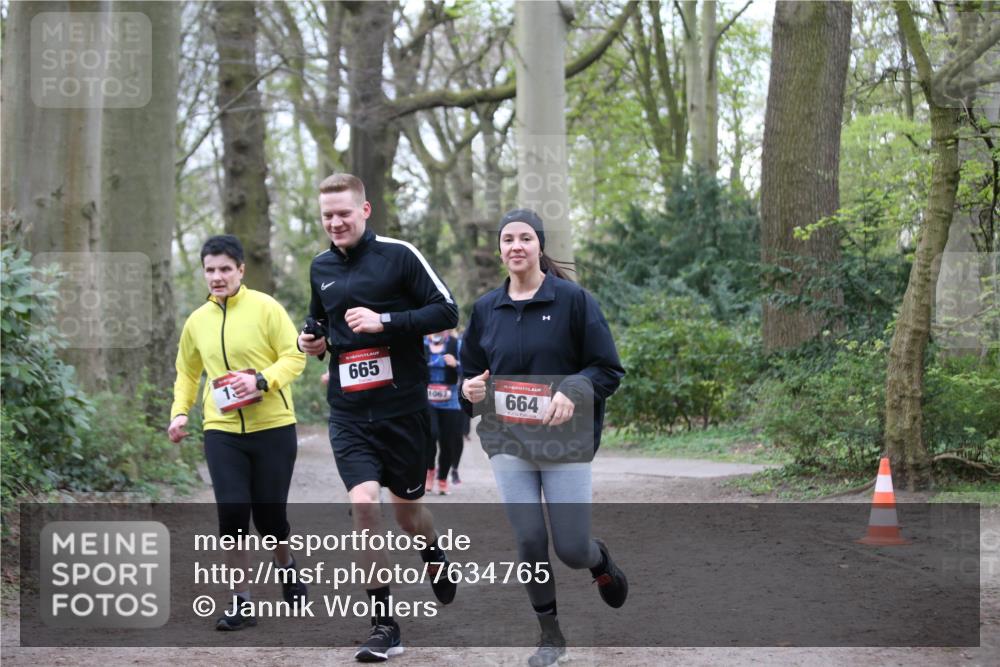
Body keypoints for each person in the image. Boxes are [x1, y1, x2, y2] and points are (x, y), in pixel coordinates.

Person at [298, 173, 459, 662]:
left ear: (365, 211)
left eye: (344, 212)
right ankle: (385, 624)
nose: (335, 222)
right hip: (349, 413)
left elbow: (447, 311)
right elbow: (320, 323)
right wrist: (313, 340)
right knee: (363, 505)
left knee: (408, 514)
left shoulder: (400, 255)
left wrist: (384, 322)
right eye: (327, 215)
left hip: (403, 411)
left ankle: (431, 549)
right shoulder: (320, 265)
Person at [459, 209, 628, 667]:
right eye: (508, 238)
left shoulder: (573, 301)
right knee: (530, 540)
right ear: (499, 248)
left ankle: (598, 562)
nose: (516, 246)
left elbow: (607, 369)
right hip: (508, 441)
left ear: (539, 245)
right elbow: (470, 376)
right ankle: (550, 636)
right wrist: (469, 389)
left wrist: (574, 389)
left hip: (563, 442)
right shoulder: (486, 310)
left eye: (525, 238)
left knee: (570, 548)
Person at [167, 234, 307, 631]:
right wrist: (180, 413)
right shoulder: (197, 321)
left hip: (273, 427)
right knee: (231, 513)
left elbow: (295, 356)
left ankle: (286, 564)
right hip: (222, 430)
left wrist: (263, 380)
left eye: (225, 269)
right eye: (210, 270)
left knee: (270, 519)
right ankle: (242, 602)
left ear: (241, 270)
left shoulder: (266, 308)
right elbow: (188, 372)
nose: (217, 276)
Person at [424, 329, 464, 495]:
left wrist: (456, 364)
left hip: (450, 401)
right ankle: (429, 470)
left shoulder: (456, 344)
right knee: (430, 435)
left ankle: (442, 479)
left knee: (447, 442)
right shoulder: (422, 344)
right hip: (427, 400)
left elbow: (469, 370)